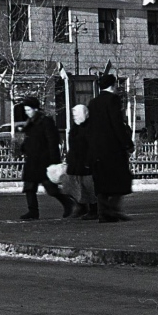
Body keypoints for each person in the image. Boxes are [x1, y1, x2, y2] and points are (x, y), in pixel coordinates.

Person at [87, 75, 135, 222]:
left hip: (97, 148)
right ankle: (113, 209)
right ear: (113, 85)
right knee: (122, 178)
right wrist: (127, 143)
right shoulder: (113, 100)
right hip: (112, 147)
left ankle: (103, 212)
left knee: (102, 180)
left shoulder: (93, 102)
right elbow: (117, 123)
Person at [19, 96, 74, 220]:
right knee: (29, 187)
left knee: (51, 188)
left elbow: (52, 141)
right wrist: (24, 147)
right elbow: (30, 138)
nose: (27, 112)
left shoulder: (45, 121)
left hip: (44, 161)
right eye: (25, 110)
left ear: (36, 109)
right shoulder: (30, 122)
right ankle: (32, 211)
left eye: (29, 110)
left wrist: (54, 161)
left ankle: (68, 203)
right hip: (32, 160)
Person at [64, 104, 98, 219]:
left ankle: (93, 209)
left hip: (86, 162)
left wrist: (89, 160)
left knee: (88, 186)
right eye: (74, 114)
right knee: (74, 185)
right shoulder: (75, 127)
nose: (75, 116)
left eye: (77, 114)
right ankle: (81, 206)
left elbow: (92, 145)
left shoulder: (90, 127)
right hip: (75, 161)